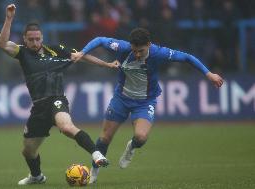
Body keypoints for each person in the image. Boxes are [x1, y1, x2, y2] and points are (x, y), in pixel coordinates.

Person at [72, 27, 224, 184]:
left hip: (144, 102)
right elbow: (99, 40)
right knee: (105, 138)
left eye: (141, 51)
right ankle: (93, 174)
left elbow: (187, 57)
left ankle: (131, 146)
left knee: (141, 137)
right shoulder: (122, 47)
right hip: (121, 98)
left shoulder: (159, 53)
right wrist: (82, 52)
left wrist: (209, 74)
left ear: (149, 45)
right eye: (134, 50)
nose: (137, 54)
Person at [0, 4, 118, 185]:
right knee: (28, 151)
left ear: (42, 37)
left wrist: (107, 65)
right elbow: (2, 44)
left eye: (37, 39)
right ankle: (37, 177)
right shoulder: (21, 52)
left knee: (67, 127)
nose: (34, 42)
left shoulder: (56, 49)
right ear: (25, 39)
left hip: (56, 99)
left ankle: (97, 154)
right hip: (38, 107)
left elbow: (83, 56)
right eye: (30, 39)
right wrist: (9, 19)